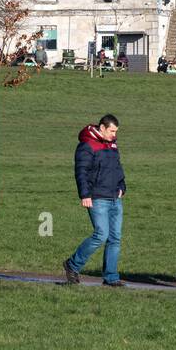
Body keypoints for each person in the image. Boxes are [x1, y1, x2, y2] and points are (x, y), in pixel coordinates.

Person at [64, 114, 125, 287]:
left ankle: (111, 277)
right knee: (101, 234)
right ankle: (72, 265)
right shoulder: (86, 145)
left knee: (115, 238)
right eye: (112, 131)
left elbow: (118, 168)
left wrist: (122, 187)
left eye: (116, 131)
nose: (114, 134)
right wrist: (85, 195)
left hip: (115, 197)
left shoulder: (112, 144)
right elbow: (81, 171)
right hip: (97, 198)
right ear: (102, 128)